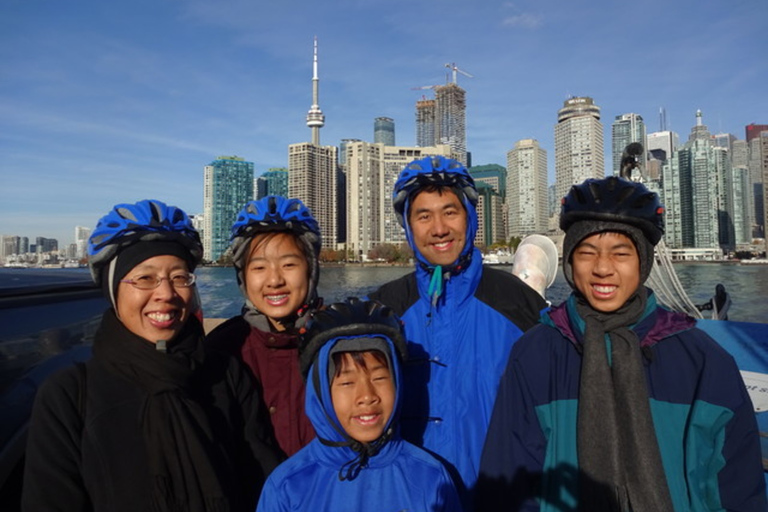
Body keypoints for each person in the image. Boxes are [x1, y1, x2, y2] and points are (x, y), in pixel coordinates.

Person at [477, 177, 767, 511]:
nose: (602, 268)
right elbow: (508, 481)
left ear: (642, 261)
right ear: (570, 260)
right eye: (587, 252)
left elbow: (737, 488)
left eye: (621, 253)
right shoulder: (535, 354)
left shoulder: (703, 361)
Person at [22, 199, 282, 512]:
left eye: (179, 277)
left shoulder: (226, 375)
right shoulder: (69, 396)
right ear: (113, 290)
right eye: (145, 278)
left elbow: (262, 483)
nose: (166, 294)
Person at [367, 155, 547, 504]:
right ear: (408, 225)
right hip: (414, 498)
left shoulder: (519, 304)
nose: (439, 228)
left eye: (450, 212)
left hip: (505, 495)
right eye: (423, 216)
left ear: (470, 217)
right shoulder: (384, 309)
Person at [256, 298, 461, 512]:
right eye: (347, 382)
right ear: (321, 393)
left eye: (379, 378)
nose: (367, 396)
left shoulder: (431, 478)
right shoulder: (288, 486)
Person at [206, 196, 321, 456]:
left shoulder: (337, 338)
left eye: (289, 264)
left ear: (311, 270)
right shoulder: (223, 350)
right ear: (243, 277)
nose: (274, 280)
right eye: (259, 267)